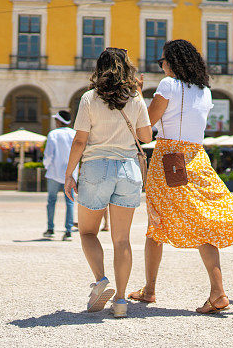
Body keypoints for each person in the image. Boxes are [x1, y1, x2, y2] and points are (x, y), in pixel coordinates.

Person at [128, 39, 233, 314]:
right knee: (204, 223)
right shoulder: (205, 91)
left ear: (172, 62)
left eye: (163, 62)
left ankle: (150, 289)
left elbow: (145, 127)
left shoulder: (168, 85)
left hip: (168, 159)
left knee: (156, 223)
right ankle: (217, 290)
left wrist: (138, 94)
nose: (162, 67)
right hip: (197, 158)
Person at [64, 47, 152, 318]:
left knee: (88, 233)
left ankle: (101, 280)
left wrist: (69, 174)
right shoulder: (135, 97)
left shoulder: (89, 98)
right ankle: (122, 301)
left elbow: (80, 140)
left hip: (97, 167)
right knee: (122, 239)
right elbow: (146, 137)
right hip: (128, 170)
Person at [42, 110, 77, 241]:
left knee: (51, 201)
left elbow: (48, 155)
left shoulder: (53, 134)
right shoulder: (74, 134)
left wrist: (47, 166)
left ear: (59, 121)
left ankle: (50, 229)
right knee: (70, 202)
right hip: (71, 173)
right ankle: (68, 231)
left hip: (54, 173)